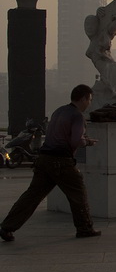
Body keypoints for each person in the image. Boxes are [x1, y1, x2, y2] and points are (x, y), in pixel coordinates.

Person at [0, 85, 102, 242]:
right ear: (82, 99)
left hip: (44, 159)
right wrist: (88, 142)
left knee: (31, 196)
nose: (89, 103)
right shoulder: (76, 116)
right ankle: (85, 228)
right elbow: (76, 140)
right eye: (89, 100)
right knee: (78, 193)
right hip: (61, 162)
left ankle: (7, 227)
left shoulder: (59, 111)